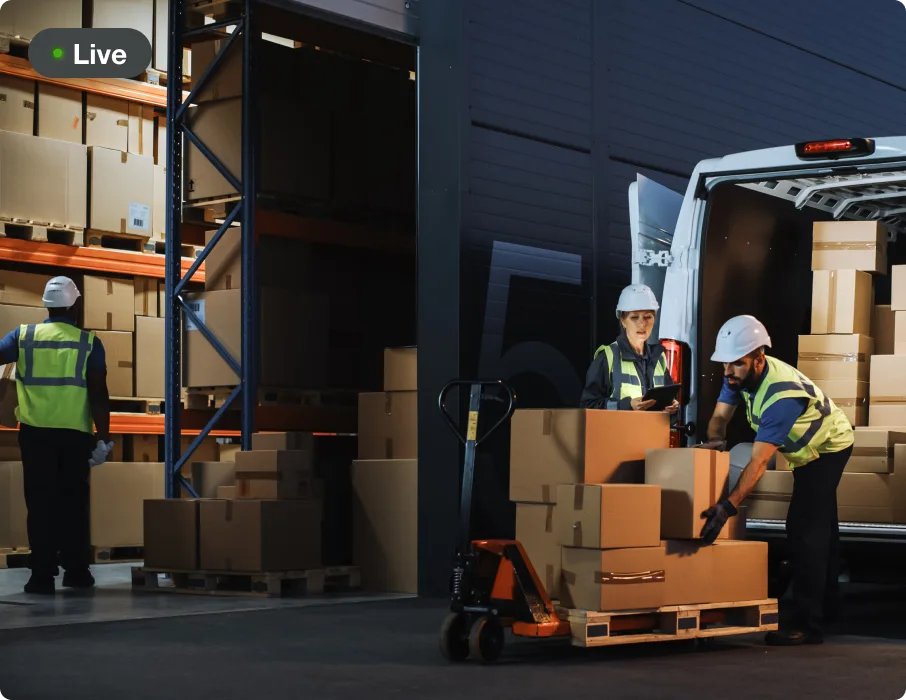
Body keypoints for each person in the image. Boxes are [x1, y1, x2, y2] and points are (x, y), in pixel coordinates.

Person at [697, 315, 853, 647]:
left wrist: (728, 507)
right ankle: (830, 609)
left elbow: (760, 461)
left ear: (759, 357)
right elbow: (720, 417)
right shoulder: (737, 375)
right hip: (806, 450)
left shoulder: (780, 397)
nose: (728, 372)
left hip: (827, 448)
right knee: (822, 526)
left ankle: (807, 626)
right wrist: (714, 439)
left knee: (804, 530)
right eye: (725, 364)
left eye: (737, 364)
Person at [0, 277, 114, 594]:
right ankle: (77, 572)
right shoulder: (89, 343)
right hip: (75, 436)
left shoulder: (22, 336)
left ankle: (41, 576)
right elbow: (98, 393)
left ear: (46, 305)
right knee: (74, 504)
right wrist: (103, 437)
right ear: (75, 304)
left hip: (35, 435)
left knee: (40, 504)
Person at [580, 283, 679, 415]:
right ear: (623, 320)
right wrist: (627, 405)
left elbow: (669, 404)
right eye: (634, 317)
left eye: (647, 317)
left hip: (652, 435)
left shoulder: (659, 358)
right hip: (620, 435)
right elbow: (588, 406)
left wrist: (671, 408)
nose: (642, 323)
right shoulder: (608, 357)